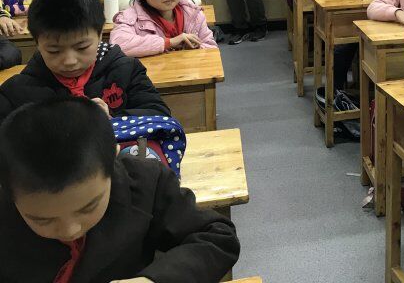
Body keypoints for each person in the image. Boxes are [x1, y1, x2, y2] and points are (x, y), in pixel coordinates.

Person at [0, 97, 240, 282]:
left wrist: (154, 279)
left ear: (112, 159)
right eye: (42, 220)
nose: (70, 230)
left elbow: (218, 237)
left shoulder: (145, 182)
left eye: (88, 207)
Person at [0, 0, 169, 123]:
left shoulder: (125, 70)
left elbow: (160, 115)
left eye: (81, 48)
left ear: (100, 34)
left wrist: (111, 119)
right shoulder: (18, 91)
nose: (69, 61)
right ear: (37, 43)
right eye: (54, 51)